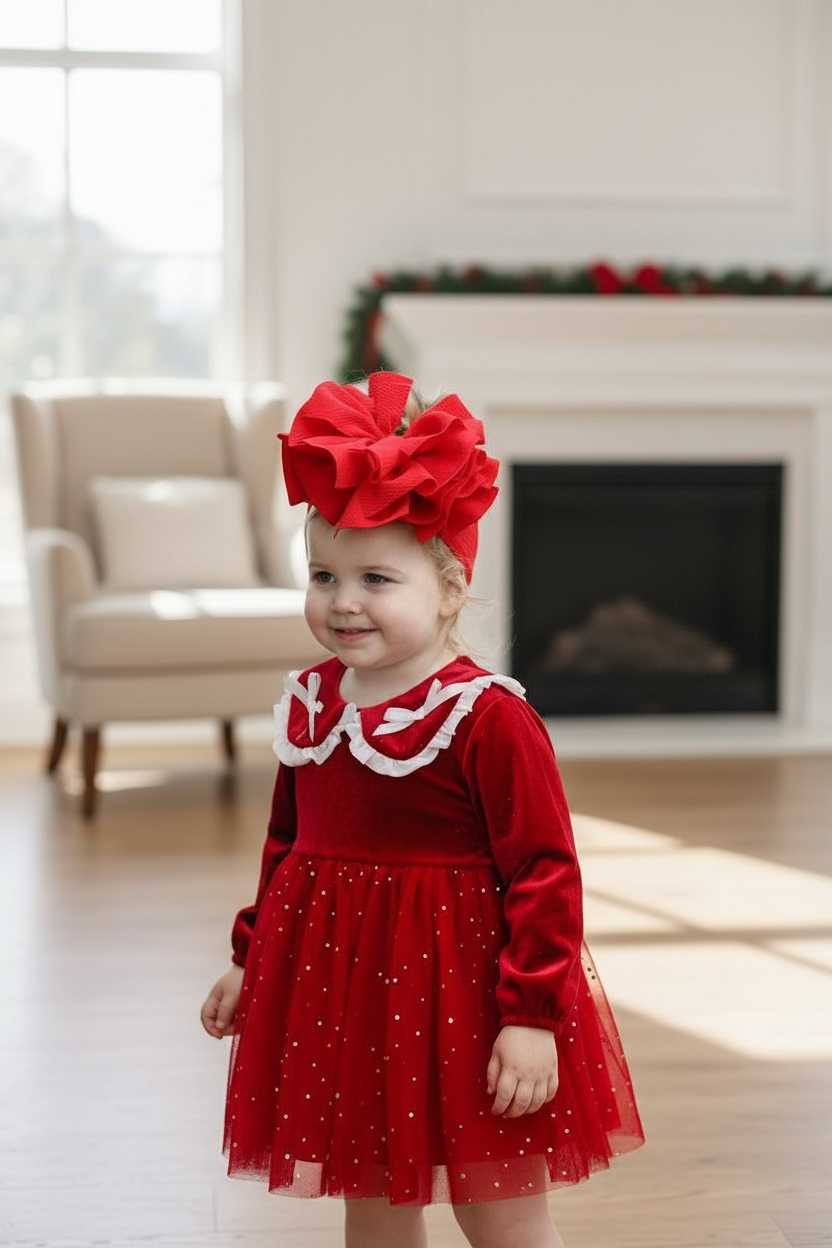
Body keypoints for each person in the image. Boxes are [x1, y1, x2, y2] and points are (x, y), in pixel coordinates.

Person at [201, 371, 645, 1248]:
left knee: (501, 1209)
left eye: (376, 577)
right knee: (372, 1196)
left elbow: (545, 872)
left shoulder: (486, 716)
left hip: (467, 998)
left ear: (448, 589)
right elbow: (289, 844)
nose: (344, 601)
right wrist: (251, 959)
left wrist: (530, 1018)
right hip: (348, 997)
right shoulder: (315, 702)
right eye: (323, 575)